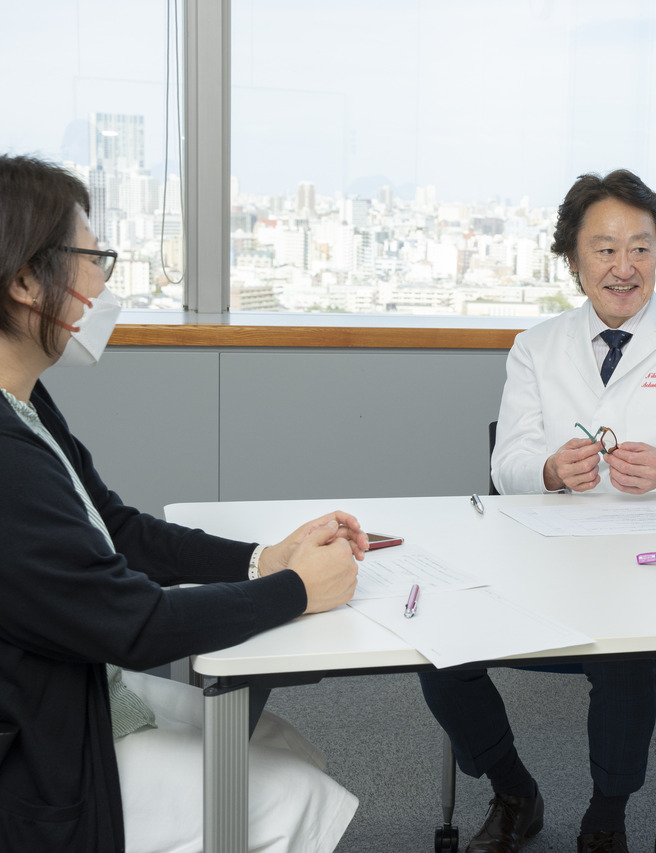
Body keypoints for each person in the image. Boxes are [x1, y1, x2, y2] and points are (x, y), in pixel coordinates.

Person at [0, 154, 366, 851]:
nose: (102, 282)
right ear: (23, 281)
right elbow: (134, 624)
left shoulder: (25, 401)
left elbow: (119, 531)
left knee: (283, 746)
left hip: (72, 686)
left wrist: (265, 560)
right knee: (296, 795)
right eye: (92, 259)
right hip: (37, 751)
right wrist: (296, 589)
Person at [422, 169, 656, 853]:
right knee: (441, 649)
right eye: (605, 249)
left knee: (622, 655)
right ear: (573, 259)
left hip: (649, 566)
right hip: (545, 556)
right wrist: (549, 471)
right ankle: (514, 789)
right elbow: (508, 463)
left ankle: (606, 817)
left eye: (641, 248)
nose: (624, 267)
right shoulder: (536, 347)